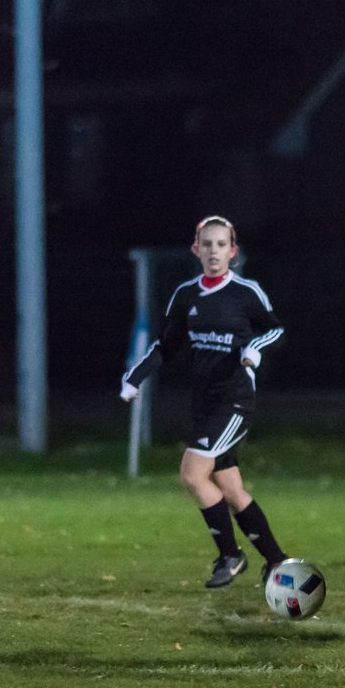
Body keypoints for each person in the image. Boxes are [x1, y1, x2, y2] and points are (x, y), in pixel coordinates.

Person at [120, 215, 289, 589]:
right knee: (230, 489)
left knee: (192, 474)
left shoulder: (246, 292)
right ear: (196, 250)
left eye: (221, 244)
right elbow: (166, 345)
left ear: (233, 250)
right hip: (203, 402)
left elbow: (274, 328)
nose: (214, 251)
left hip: (235, 400)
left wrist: (255, 349)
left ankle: (230, 555)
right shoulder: (186, 295)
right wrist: (136, 377)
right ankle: (278, 562)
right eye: (207, 244)